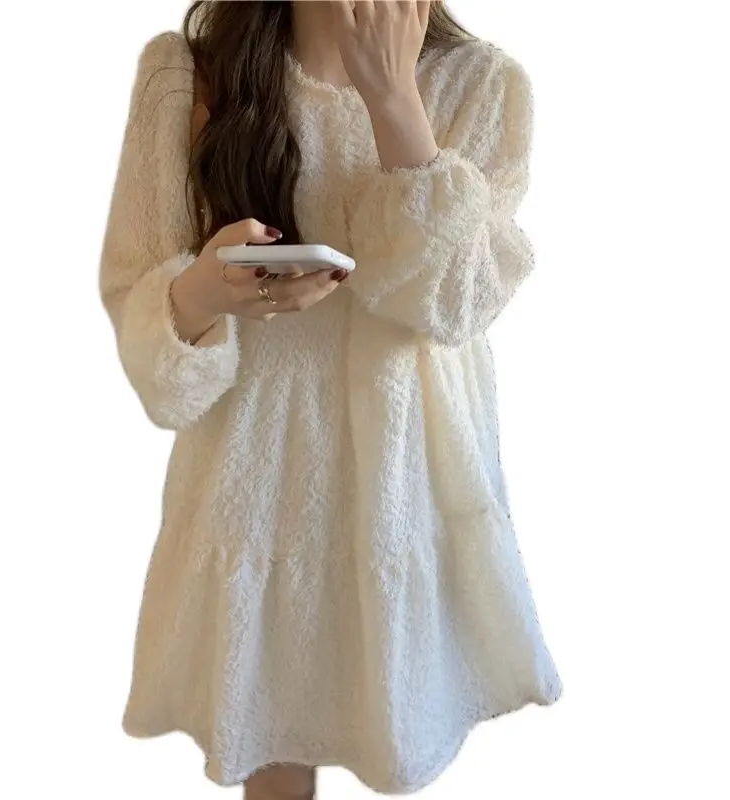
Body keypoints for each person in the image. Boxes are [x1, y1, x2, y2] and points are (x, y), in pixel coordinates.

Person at [98, 2, 562, 798]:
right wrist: (201, 292)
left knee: (403, 728)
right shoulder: (187, 76)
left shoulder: (483, 85)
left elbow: (456, 302)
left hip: (406, 485)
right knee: (269, 738)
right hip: (254, 483)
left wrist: (395, 102)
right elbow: (140, 306)